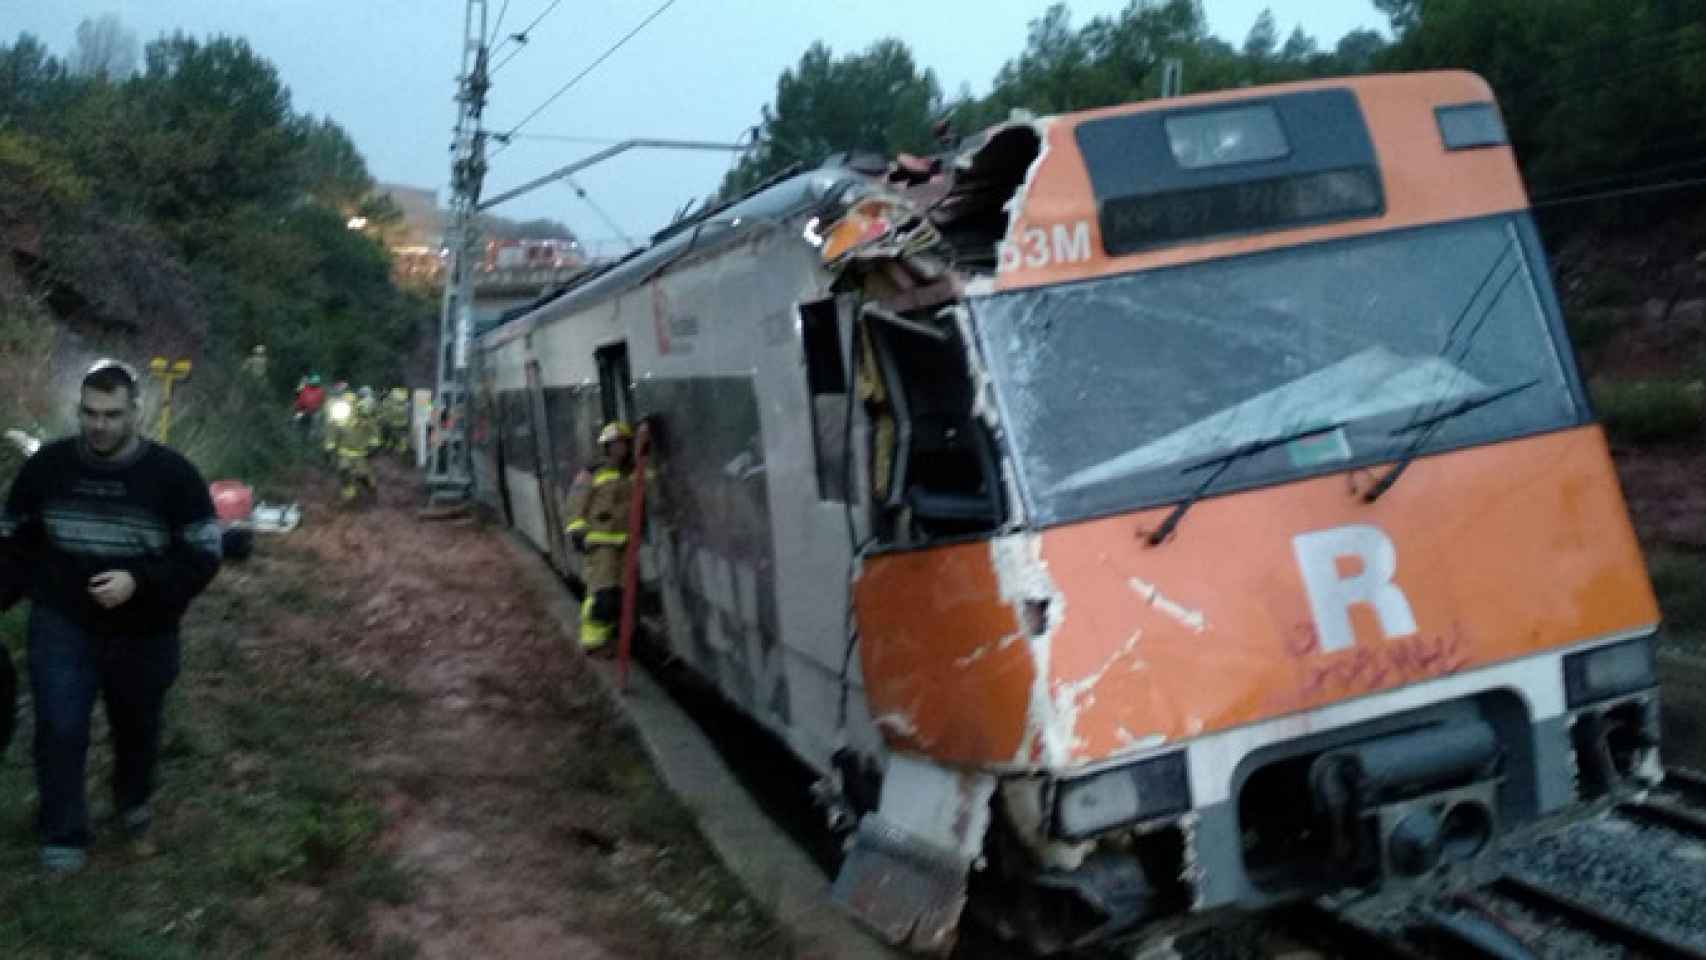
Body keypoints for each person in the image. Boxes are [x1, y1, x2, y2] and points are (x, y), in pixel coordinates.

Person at [0, 359, 222, 875]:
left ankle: (132, 801)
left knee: (136, 727)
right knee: (59, 725)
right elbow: (14, 543)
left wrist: (140, 582)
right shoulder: (48, 469)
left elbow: (203, 554)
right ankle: (63, 835)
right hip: (62, 621)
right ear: (78, 410)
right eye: (90, 413)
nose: (100, 425)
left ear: (135, 413)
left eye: (112, 414)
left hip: (144, 630)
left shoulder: (173, 477)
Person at [563, 421, 653, 653]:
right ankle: (593, 642)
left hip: (625, 546)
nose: (618, 449)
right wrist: (577, 532)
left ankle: (613, 640)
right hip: (600, 546)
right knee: (602, 597)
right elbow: (575, 503)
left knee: (621, 598)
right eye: (613, 445)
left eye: (623, 444)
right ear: (606, 447)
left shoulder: (634, 472)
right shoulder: (593, 472)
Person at [324, 391, 381, 502]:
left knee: (362, 475)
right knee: (344, 470)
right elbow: (332, 433)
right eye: (347, 403)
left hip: (360, 453)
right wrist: (329, 448)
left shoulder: (363, 416)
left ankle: (371, 488)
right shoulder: (339, 417)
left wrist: (374, 446)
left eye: (351, 403)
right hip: (344, 452)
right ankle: (348, 492)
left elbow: (373, 431)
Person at [380, 387, 411, 455]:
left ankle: (390, 450)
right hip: (404, 423)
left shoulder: (387, 402)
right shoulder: (407, 403)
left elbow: (385, 414)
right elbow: (409, 413)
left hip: (393, 424)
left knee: (391, 437)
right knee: (402, 437)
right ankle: (402, 451)